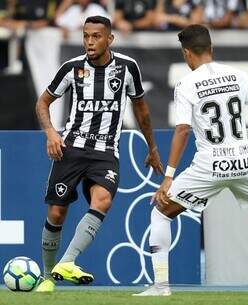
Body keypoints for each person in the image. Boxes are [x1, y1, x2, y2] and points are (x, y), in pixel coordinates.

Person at [134, 24, 248, 296]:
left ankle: (161, 286)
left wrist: (168, 177)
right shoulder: (236, 75)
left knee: (160, 212)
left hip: (210, 165)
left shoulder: (187, 84)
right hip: (244, 163)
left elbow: (183, 129)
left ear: (187, 54)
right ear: (212, 49)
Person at [35, 15, 163, 292]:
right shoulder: (72, 68)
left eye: (96, 36)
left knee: (102, 201)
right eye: (86, 36)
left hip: (106, 151)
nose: (90, 42)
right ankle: (48, 276)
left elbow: (141, 110)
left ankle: (67, 261)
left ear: (109, 39)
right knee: (57, 213)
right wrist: (51, 133)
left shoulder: (128, 68)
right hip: (71, 149)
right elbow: (43, 102)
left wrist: (152, 147)